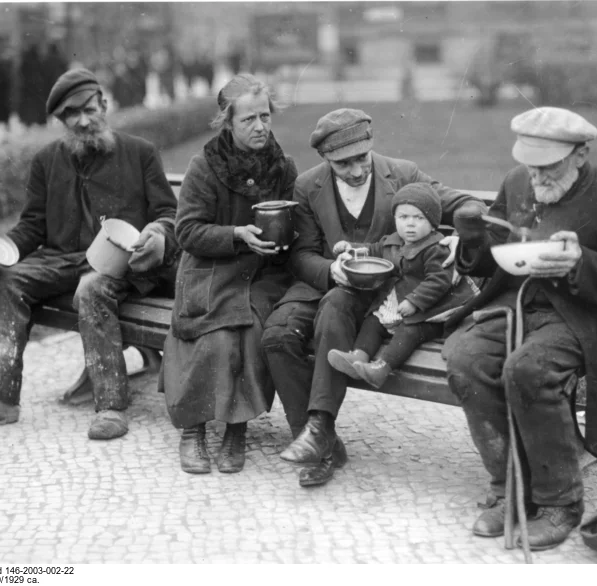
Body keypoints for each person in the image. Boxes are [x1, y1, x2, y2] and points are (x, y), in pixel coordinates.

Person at [442, 106, 597, 551]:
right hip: (515, 303)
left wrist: (582, 261)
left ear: (581, 154)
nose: (535, 179)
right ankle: (508, 488)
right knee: (465, 360)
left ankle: (560, 503)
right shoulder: (518, 181)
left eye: (548, 168)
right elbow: (491, 257)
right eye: (530, 166)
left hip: (580, 316)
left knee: (529, 370)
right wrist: (472, 238)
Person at [0, 68, 179, 440]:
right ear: (61, 120)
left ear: (104, 103)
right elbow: (32, 226)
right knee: (7, 280)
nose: (83, 121)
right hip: (61, 260)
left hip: (124, 264)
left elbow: (168, 214)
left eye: (89, 109)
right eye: (71, 115)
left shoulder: (139, 153)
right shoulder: (47, 161)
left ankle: (111, 407)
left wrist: (157, 234)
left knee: (92, 288)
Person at [261, 108, 483, 488]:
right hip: (341, 284)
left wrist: (463, 233)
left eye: (362, 158)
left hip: (398, 294)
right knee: (279, 336)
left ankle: (318, 431)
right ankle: (319, 438)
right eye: (344, 164)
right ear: (325, 159)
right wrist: (332, 269)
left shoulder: (404, 174)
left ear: (371, 147)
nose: (357, 170)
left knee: (332, 309)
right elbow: (302, 254)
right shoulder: (307, 186)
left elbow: (463, 203)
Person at [160, 74, 297, 475]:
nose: (260, 127)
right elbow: (186, 231)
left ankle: (236, 429)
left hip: (260, 274)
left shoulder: (281, 166)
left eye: (265, 117)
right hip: (210, 269)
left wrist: (282, 237)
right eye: (248, 120)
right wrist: (236, 234)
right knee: (215, 335)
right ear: (228, 122)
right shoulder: (205, 166)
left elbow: (292, 219)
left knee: (253, 332)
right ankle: (194, 430)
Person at [327, 182, 479, 388]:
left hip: (434, 310)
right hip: (401, 300)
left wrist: (415, 302)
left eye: (419, 218)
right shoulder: (393, 241)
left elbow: (439, 280)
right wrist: (351, 249)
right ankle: (358, 357)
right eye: (403, 217)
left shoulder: (437, 247)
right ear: (395, 219)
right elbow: (372, 250)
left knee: (410, 331)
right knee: (374, 321)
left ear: (433, 223)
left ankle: (382, 368)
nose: (410, 224)